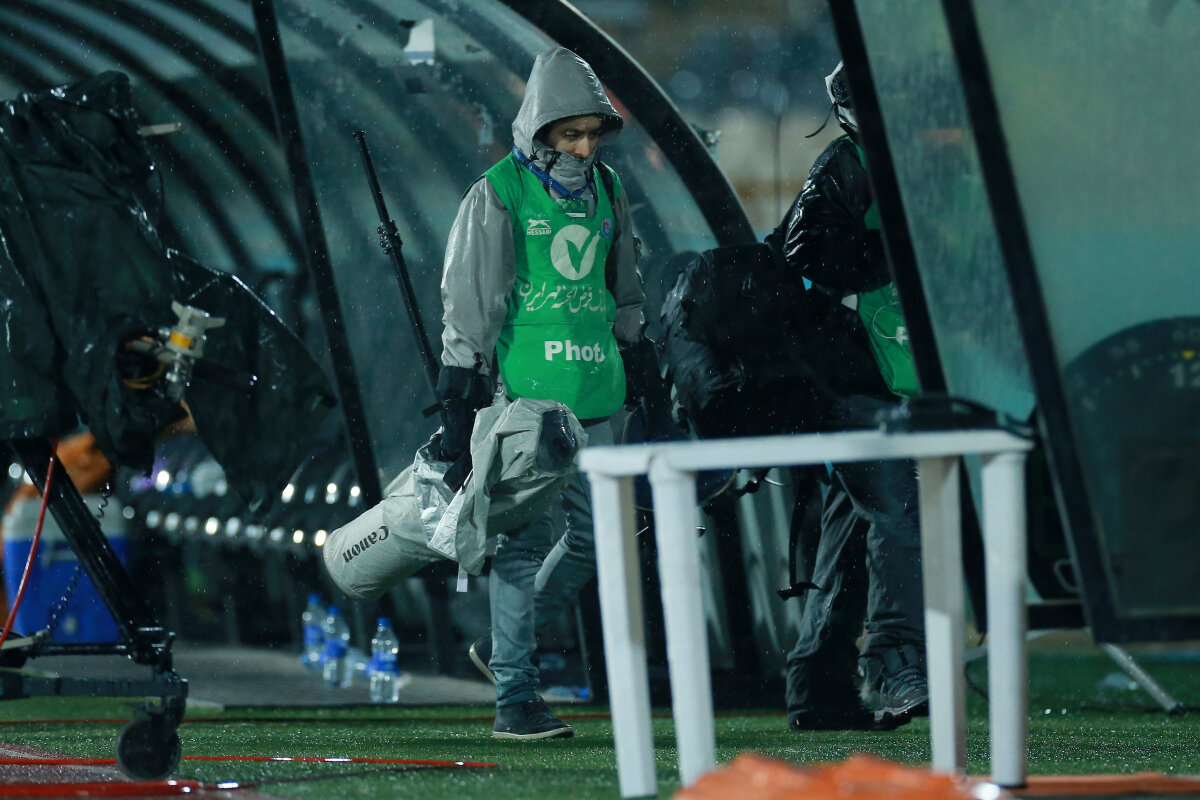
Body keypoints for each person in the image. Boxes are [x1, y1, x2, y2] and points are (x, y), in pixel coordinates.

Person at [436, 46, 651, 740]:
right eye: (570, 133)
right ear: (539, 130)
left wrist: (637, 347)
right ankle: (516, 695)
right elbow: (472, 300)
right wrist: (461, 388)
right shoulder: (498, 192)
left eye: (592, 133)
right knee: (522, 546)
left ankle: (509, 649)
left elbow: (624, 287)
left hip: (598, 394)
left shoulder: (609, 189)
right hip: (527, 403)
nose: (584, 147)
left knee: (599, 542)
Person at [777, 61, 928, 731]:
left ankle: (817, 686)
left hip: (879, 376)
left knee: (853, 529)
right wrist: (897, 247)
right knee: (898, 514)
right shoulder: (846, 166)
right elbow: (808, 257)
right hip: (860, 380)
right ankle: (893, 665)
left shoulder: (893, 163)